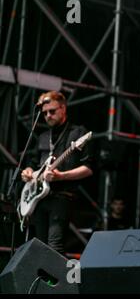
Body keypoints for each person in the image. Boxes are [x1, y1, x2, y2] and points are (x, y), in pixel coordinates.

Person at [21, 91, 93, 254]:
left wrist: (61, 176)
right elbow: (31, 163)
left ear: (63, 108)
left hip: (62, 196)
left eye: (52, 111)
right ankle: (40, 279)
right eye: (45, 113)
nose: (48, 115)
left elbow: (88, 169)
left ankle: (55, 280)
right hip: (39, 197)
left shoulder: (77, 133)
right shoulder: (43, 137)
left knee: (54, 245)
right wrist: (28, 172)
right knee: (39, 245)